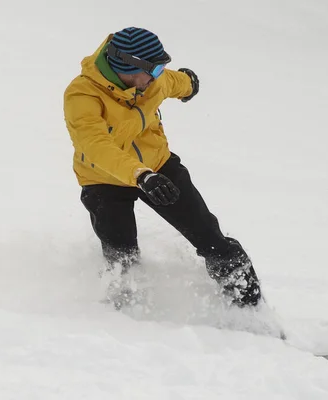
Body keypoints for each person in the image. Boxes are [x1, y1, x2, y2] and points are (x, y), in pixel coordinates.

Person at [63, 27, 261, 308]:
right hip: (103, 179)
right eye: (154, 70)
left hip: (158, 165)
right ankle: (125, 317)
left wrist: (189, 85)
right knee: (123, 260)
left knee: (212, 239)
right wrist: (141, 175)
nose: (158, 77)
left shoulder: (152, 81)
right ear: (130, 67)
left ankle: (251, 311)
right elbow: (96, 147)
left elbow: (175, 82)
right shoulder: (82, 95)